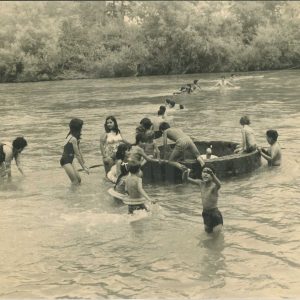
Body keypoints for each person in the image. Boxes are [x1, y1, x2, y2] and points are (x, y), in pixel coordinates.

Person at [184, 167, 223, 234]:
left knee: (217, 237)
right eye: (204, 172)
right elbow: (186, 179)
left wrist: (212, 174)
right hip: (205, 213)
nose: (205, 174)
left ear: (213, 175)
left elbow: (219, 184)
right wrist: (185, 172)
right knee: (208, 234)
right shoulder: (201, 183)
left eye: (208, 173)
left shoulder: (214, 186)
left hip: (215, 214)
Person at [60, 118, 89, 185]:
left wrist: (84, 163)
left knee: (79, 180)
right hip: (65, 161)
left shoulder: (74, 137)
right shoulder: (73, 139)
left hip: (70, 160)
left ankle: (75, 195)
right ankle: (70, 195)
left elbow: (79, 150)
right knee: (75, 181)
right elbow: (77, 155)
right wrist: (83, 167)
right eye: (81, 127)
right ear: (78, 128)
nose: (82, 128)